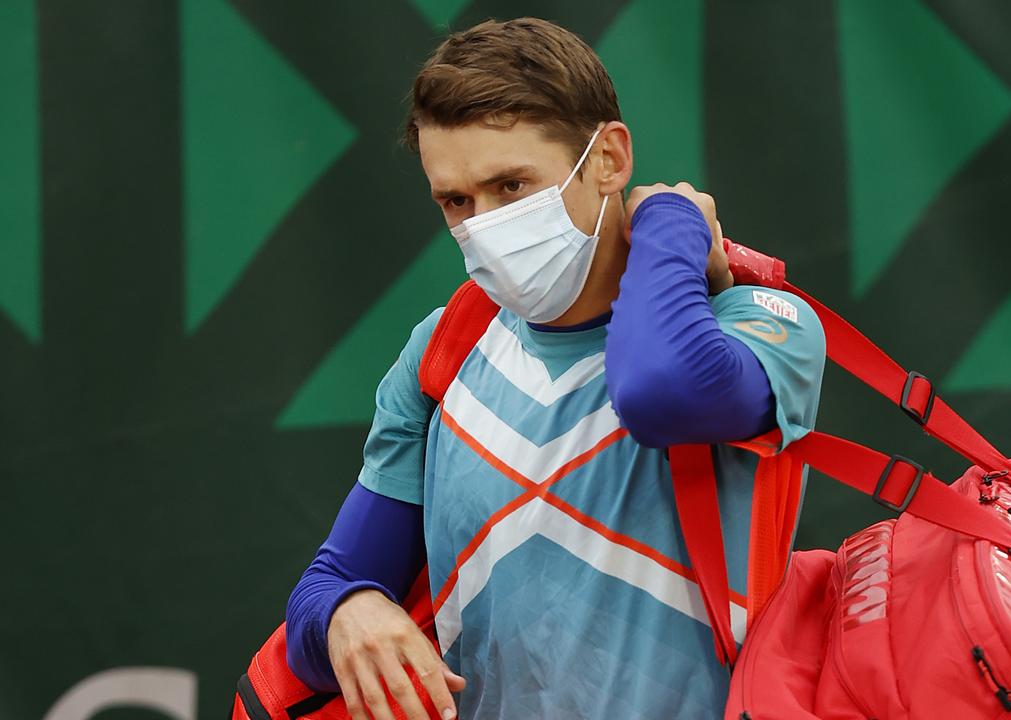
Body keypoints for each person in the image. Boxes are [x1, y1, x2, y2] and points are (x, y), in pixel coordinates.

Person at [283, 17, 825, 720]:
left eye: (511, 186)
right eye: (456, 201)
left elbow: (661, 391)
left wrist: (669, 222)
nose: (482, 226)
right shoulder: (443, 347)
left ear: (609, 158)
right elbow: (324, 595)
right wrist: (348, 614)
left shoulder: (756, 323)